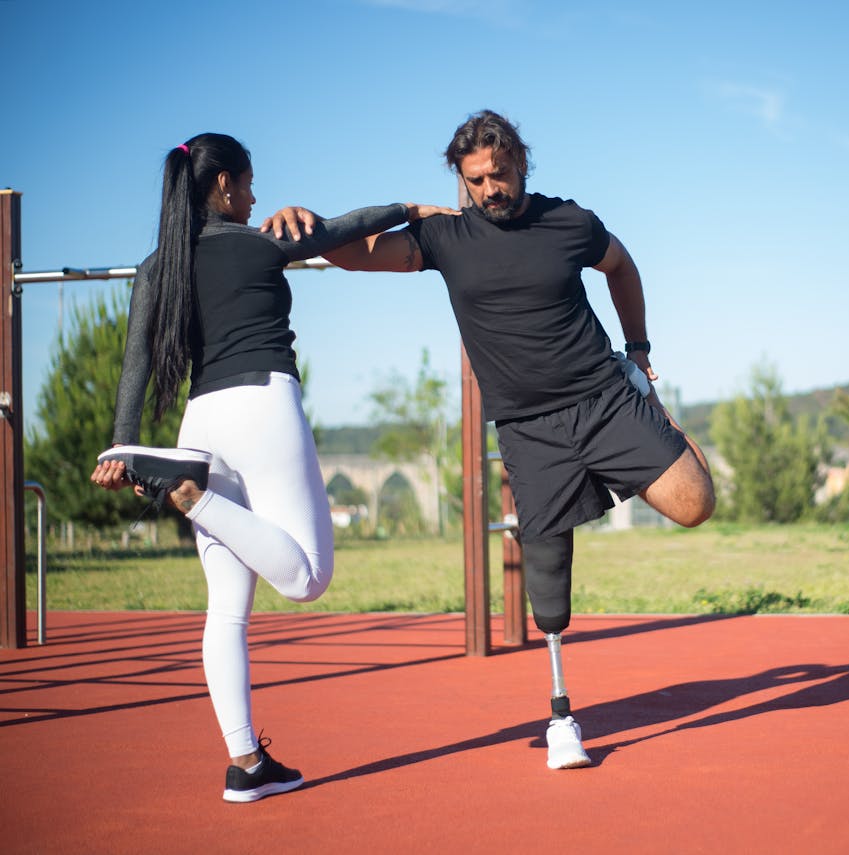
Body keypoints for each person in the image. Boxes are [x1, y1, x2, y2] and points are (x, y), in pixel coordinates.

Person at [265, 110, 716, 770]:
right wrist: (310, 224)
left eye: (498, 175)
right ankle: (563, 715)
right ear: (461, 178)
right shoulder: (446, 237)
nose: (489, 190)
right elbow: (351, 257)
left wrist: (639, 350)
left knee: (695, 503)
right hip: (529, 429)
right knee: (548, 592)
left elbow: (622, 266)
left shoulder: (569, 223)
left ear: (521, 165)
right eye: (475, 180)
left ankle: (658, 415)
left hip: (602, 396)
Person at [90, 132, 456, 802]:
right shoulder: (258, 242)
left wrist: (121, 448)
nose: (256, 196)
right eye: (249, 183)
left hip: (199, 424)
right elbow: (346, 228)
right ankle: (194, 499)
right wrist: (414, 207)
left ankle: (246, 763)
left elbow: (134, 369)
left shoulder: (154, 267)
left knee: (226, 610)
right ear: (223, 184)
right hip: (263, 406)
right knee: (309, 579)